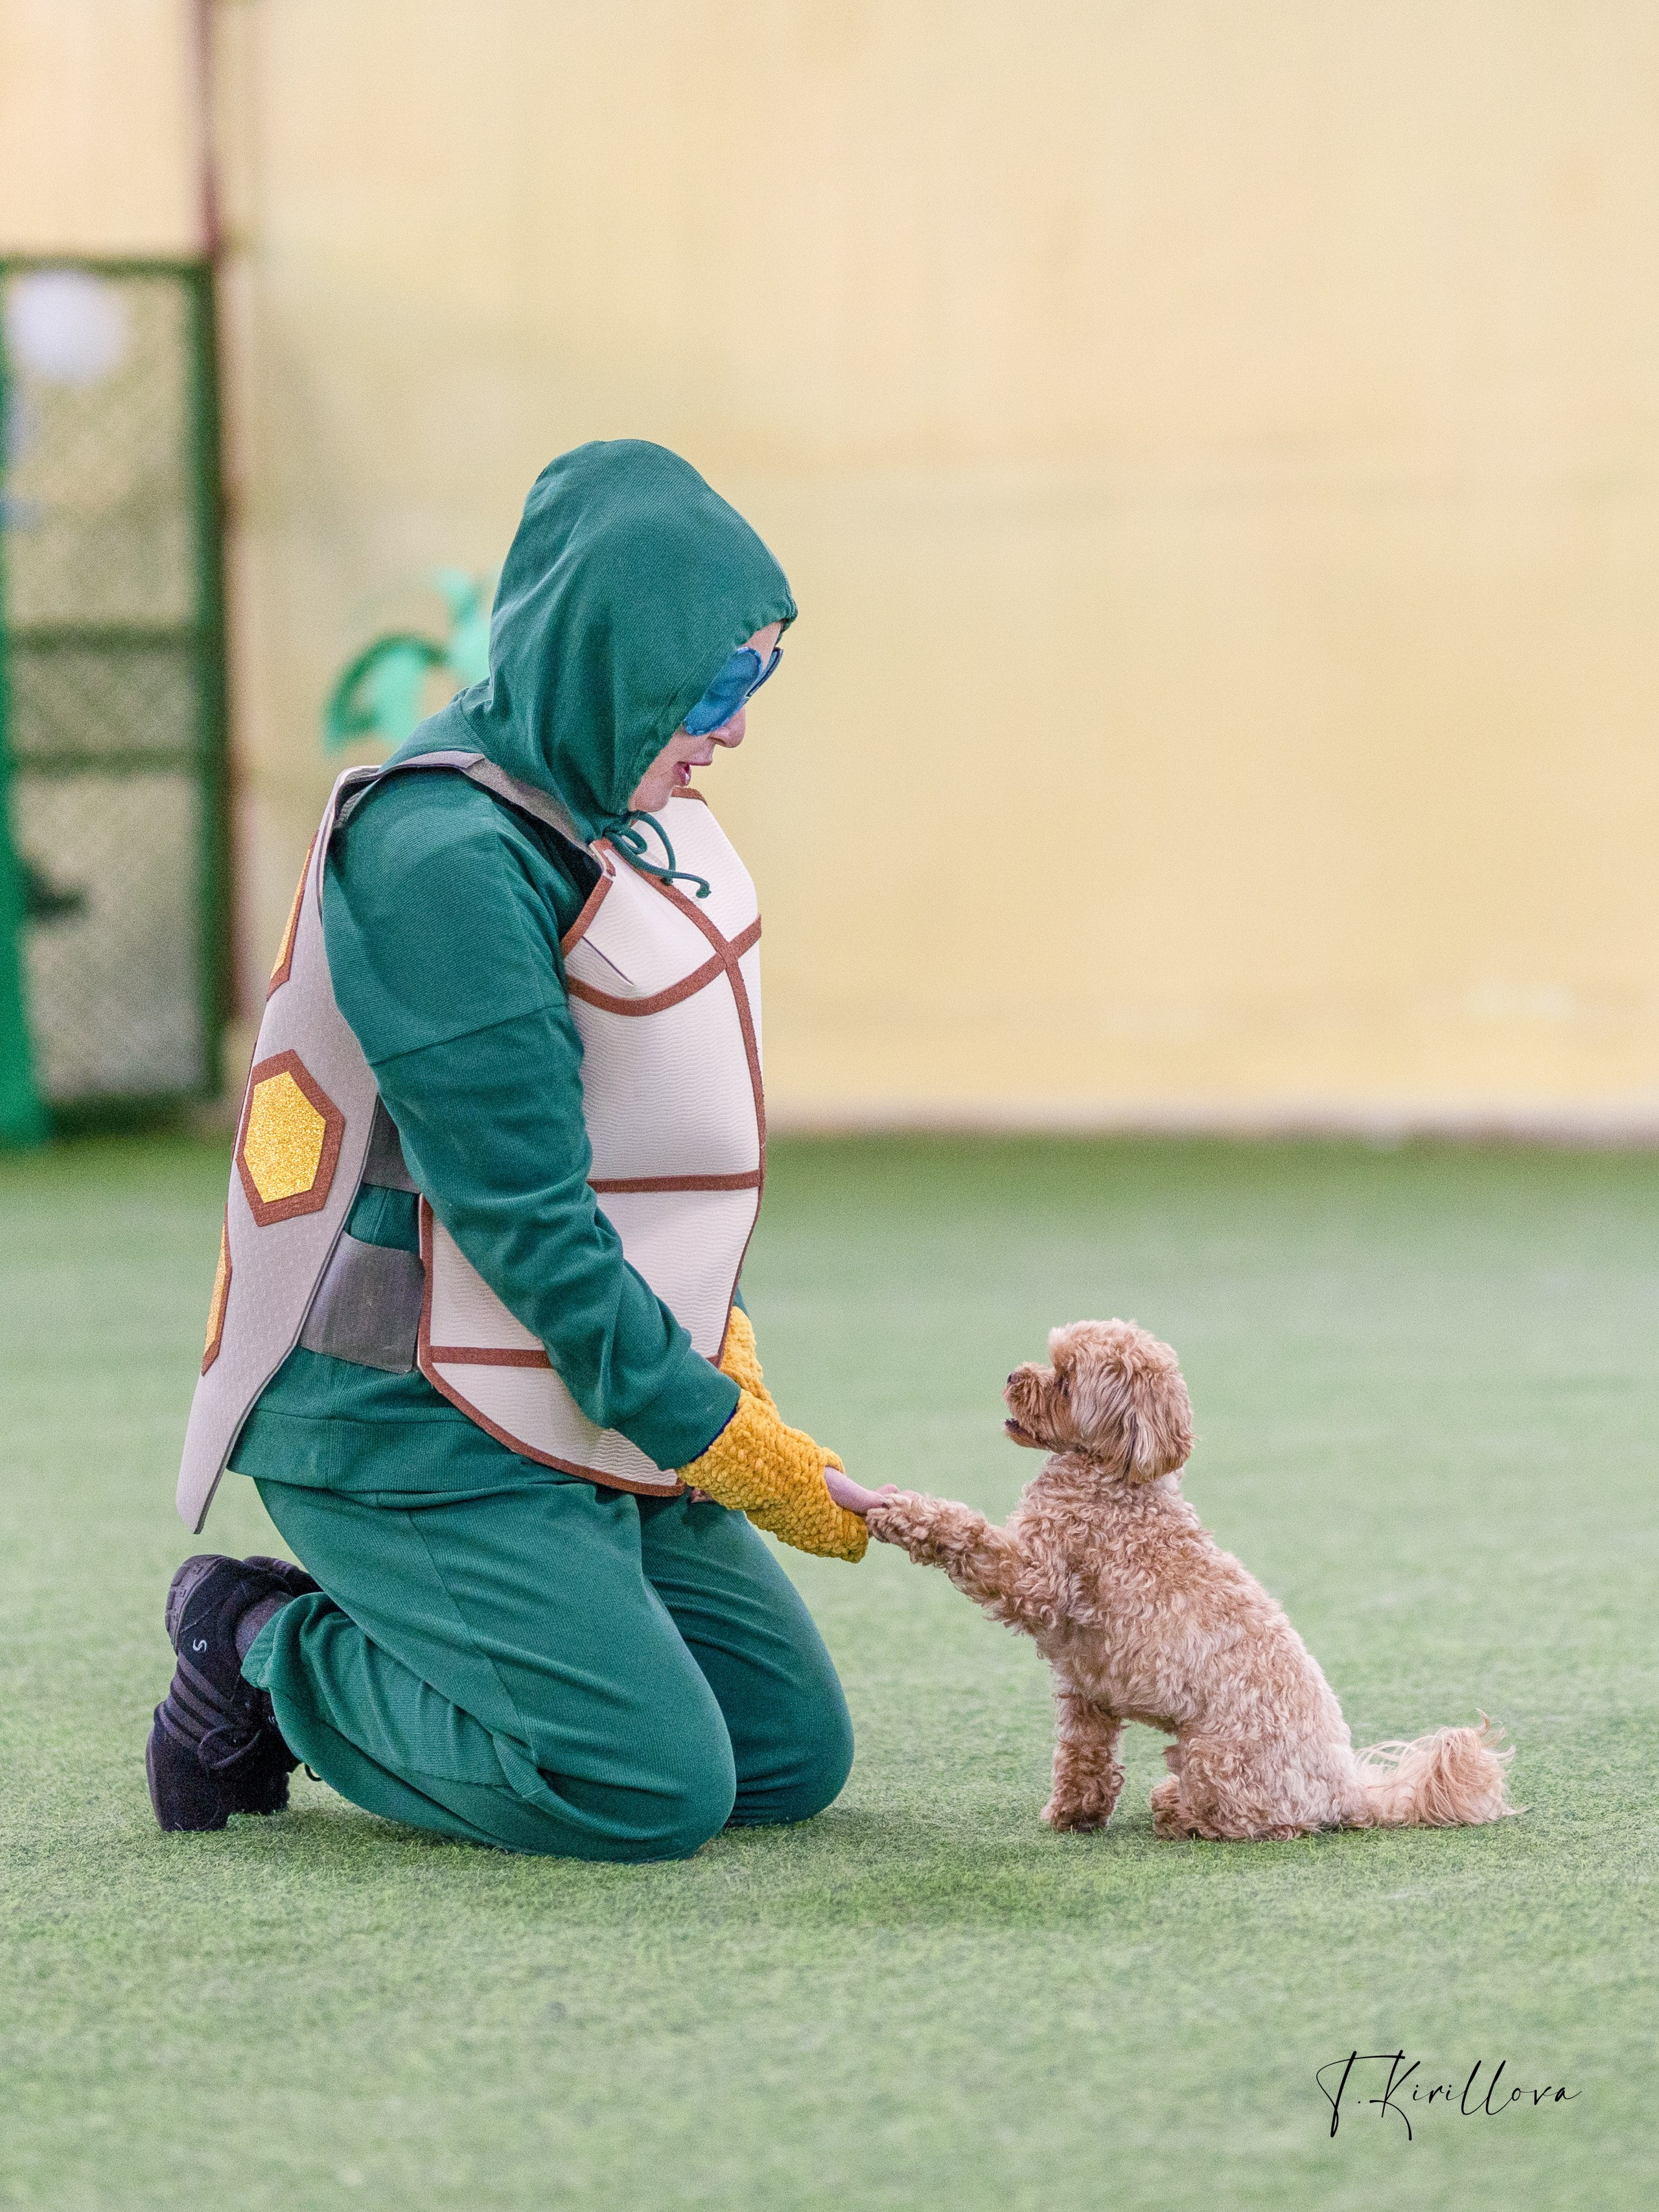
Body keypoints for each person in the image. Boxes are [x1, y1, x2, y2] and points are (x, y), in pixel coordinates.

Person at [148, 441, 869, 1861]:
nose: (734, 728)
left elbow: (651, 1154)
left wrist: (717, 1356)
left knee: (788, 1757)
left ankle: (480, 1614)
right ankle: (260, 1645)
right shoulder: (440, 856)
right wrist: (728, 1442)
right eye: (714, 685)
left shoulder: (616, 808)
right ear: (615, 664)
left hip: (555, 1379)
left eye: (760, 678)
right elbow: (528, 1222)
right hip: (400, 1415)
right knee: (644, 1789)